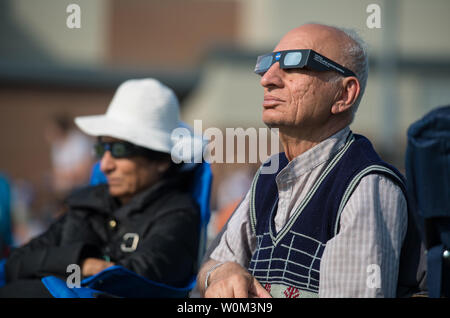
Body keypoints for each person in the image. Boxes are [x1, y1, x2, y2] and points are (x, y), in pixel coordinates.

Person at [197, 23, 425, 298]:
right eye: (266, 64)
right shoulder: (268, 176)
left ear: (344, 95)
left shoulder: (366, 185)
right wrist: (221, 273)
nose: (267, 79)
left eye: (294, 64)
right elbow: (210, 265)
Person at [0, 78, 201, 297]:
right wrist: (84, 264)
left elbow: (131, 280)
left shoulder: (179, 213)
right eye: (103, 148)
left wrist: (58, 264)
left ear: (162, 160)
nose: (105, 165)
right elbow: (15, 263)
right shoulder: (85, 204)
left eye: (120, 150)